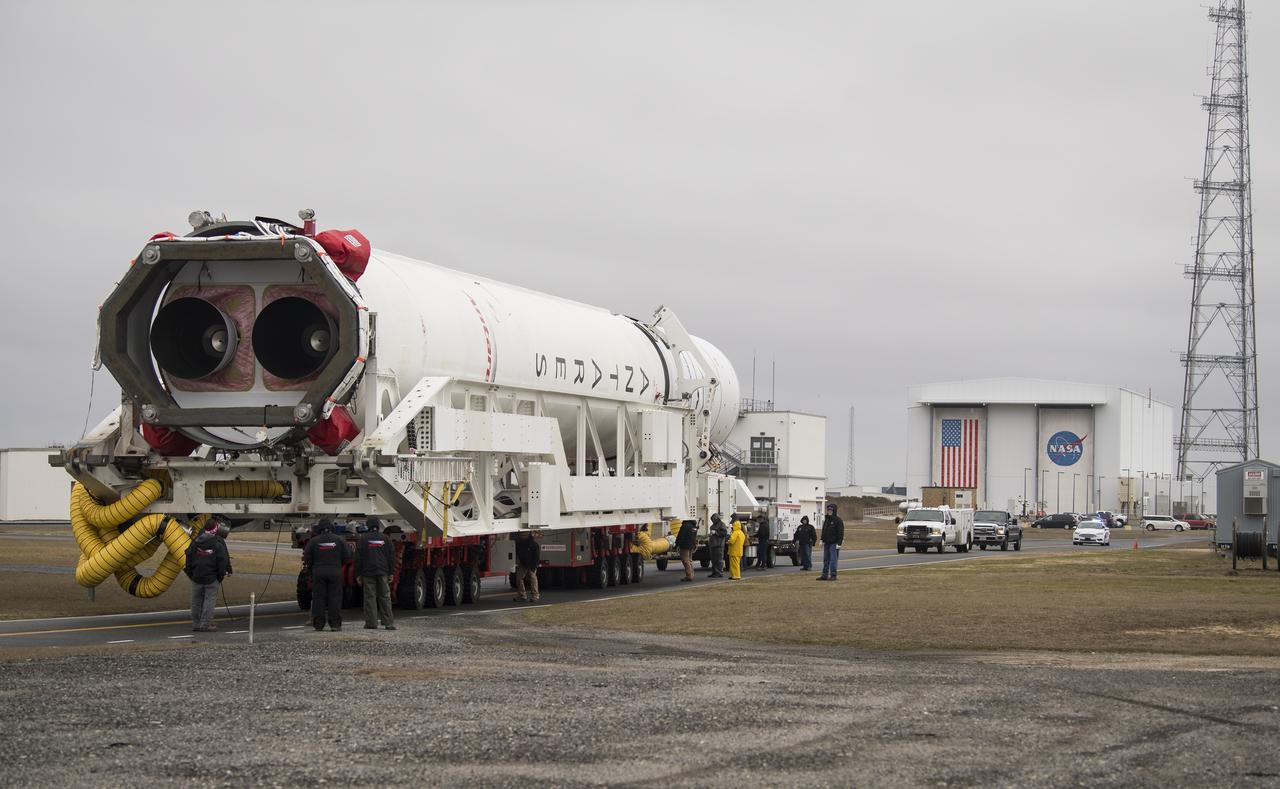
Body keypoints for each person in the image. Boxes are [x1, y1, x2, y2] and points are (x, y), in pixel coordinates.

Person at [304, 518, 351, 631]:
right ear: (331, 528)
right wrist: (337, 564)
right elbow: (347, 557)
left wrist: (313, 567)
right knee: (335, 598)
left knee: (318, 598)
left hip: (318, 572)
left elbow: (307, 558)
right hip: (335, 571)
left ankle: (318, 624)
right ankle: (335, 624)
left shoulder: (314, 541)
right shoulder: (339, 540)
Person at [185, 520, 231, 632]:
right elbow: (222, 561)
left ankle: (196, 624)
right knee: (209, 601)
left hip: (197, 576)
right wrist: (220, 576)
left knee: (196, 601)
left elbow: (188, 557)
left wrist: (191, 573)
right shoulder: (218, 544)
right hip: (211, 578)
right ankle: (205, 624)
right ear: (215, 529)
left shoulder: (195, 542)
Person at [356, 517, 397, 630]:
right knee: (385, 597)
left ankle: (371, 623)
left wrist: (358, 574)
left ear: (368, 526)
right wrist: (391, 572)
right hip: (383, 572)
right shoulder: (386, 539)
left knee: (370, 598)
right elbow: (391, 557)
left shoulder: (363, 539)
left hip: (368, 573)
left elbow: (358, 558)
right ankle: (388, 623)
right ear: (378, 526)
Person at [818, 503, 845, 581]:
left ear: (834, 511)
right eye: (828, 510)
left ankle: (833, 575)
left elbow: (840, 532)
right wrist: (821, 539)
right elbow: (824, 530)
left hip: (834, 543)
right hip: (827, 542)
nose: (829, 511)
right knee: (826, 559)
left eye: (831, 510)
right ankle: (824, 575)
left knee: (833, 560)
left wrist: (839, 543)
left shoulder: (838, 520)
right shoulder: (826, 520)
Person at [513, 531, 542, 602]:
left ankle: (535, 595)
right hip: (522, 563)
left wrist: (533, 568)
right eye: (521, 534)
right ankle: (522, 595)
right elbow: (516, 553)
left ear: (528, 535)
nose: (523, 536)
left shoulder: (534, 544)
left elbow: (536, 557)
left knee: (532, 577)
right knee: (519, 578)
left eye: (524, 535)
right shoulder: (518, 543)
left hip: (532, 563)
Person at [707, 514, 728, 578]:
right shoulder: (713, 525)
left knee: (719, 560)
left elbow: (724, 533)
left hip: (719, 544)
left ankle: (719, 572)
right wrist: (710, 534)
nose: (712, 520)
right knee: (713, 560)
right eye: (712, 519)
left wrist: (716, 532)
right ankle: (714, 572)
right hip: (713, 544)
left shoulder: (722, 524)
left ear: (717, 518)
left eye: (713, 519)